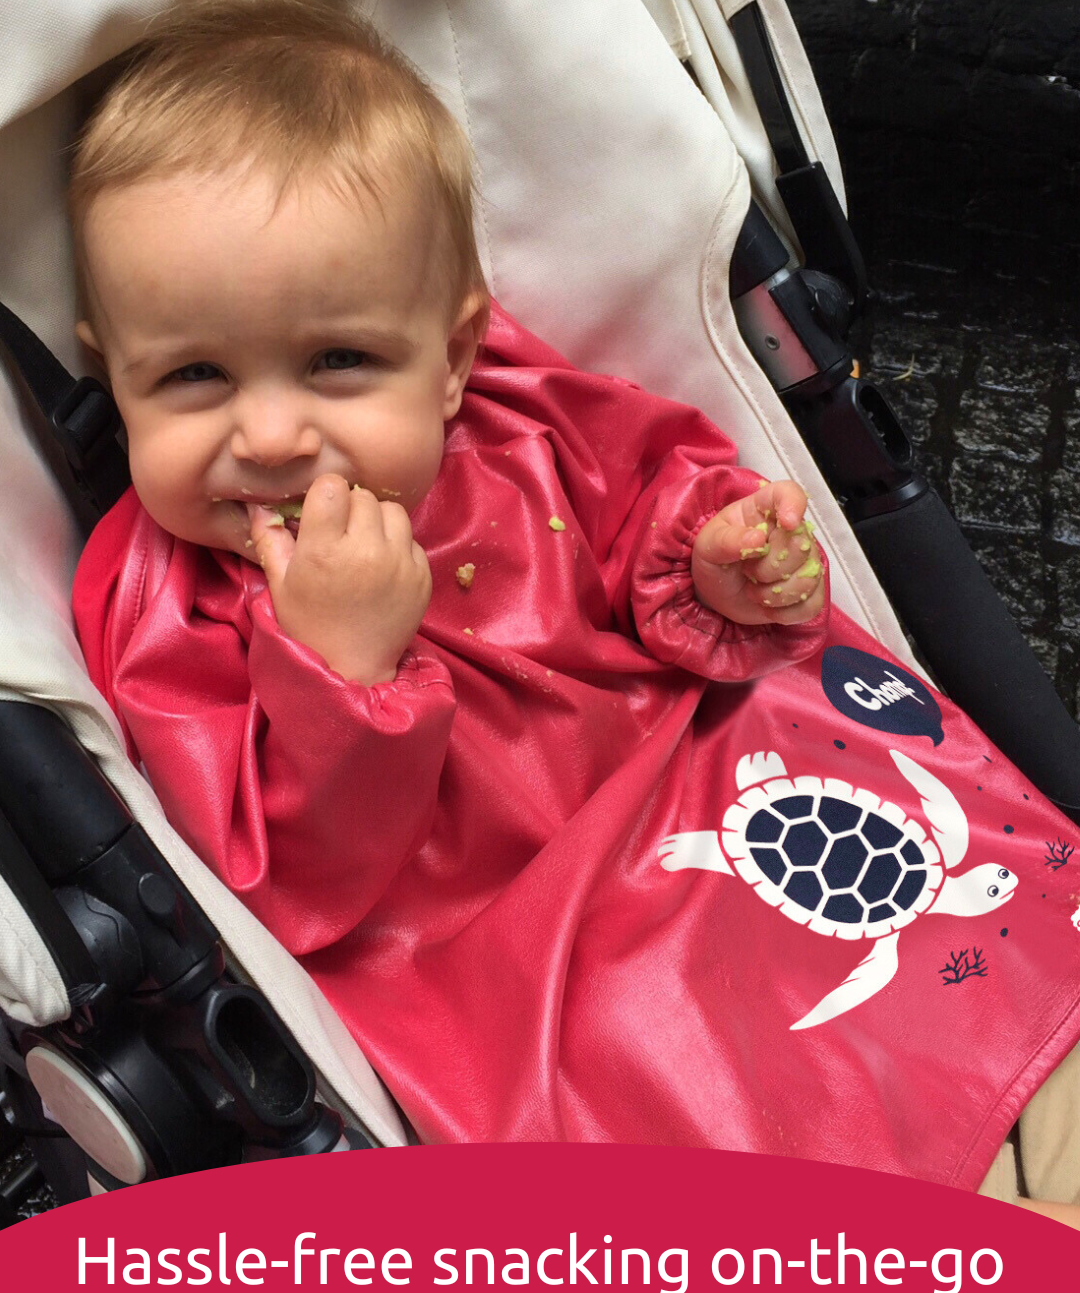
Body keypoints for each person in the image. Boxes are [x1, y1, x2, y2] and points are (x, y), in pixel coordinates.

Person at [70, 0, 1080, 1209]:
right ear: (111, 374)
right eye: (191, 376)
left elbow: (652, 485)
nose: (273, 435)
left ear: (450, 358)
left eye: (339, 362)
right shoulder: (168, 610)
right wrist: (343, 678)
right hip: (526, 964)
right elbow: (280, 889)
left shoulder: (517, 423)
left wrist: (715, 562)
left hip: (715, 784)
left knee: (1021, 1018)